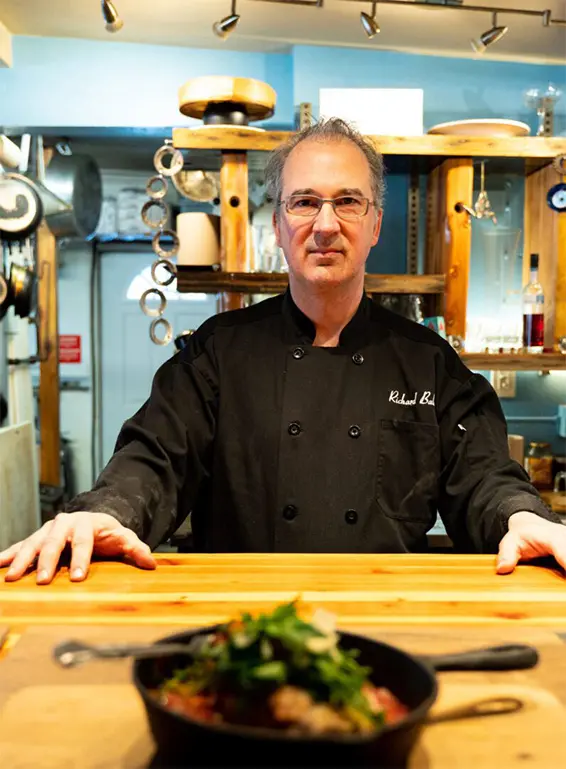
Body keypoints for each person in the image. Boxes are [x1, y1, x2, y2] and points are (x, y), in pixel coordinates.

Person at [1, 118, 565, 585]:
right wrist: (104, 513)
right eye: (303, 202)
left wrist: (520, 515)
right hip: (240, 621)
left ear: (375, 225)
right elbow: (153, 460)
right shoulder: (217, 355)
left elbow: (485, 473)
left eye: (348, 201)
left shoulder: (430, 362)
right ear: (277, 224)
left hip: (385, 616)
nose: (325, 225)